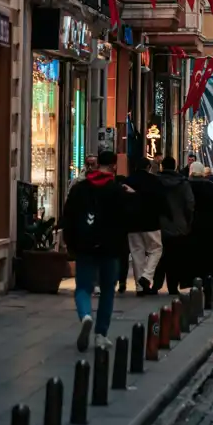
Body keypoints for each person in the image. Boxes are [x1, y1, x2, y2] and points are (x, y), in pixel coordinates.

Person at [61, 147, 132, 352]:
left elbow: (69, 217)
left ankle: (85, 315)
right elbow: (125, 220)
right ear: (114, 166)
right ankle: (101, 334)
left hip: (84, 246)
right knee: (108, 289)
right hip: (110, 248)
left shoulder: (79, 188)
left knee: (83, 287)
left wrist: (70, 243)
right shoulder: (117, 190)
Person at [152, 155, 195, 292]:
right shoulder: (183, 183)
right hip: (179, 225)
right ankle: (173, 286)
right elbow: (190, 204)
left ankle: (156, 284)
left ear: (162, 166)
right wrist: (188, 221)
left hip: (158, 224)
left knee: (158, 256)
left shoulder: (156, 182)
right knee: (176, 257)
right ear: (175, 166)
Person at [126, 157, 165, 295]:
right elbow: (161, 201)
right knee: (156, 249)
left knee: (137, 253)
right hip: (151, 222)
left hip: (132, 223)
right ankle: (146, 277)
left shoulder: (128, 181)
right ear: (149, 167)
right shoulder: (154, 181)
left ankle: (140, 287)